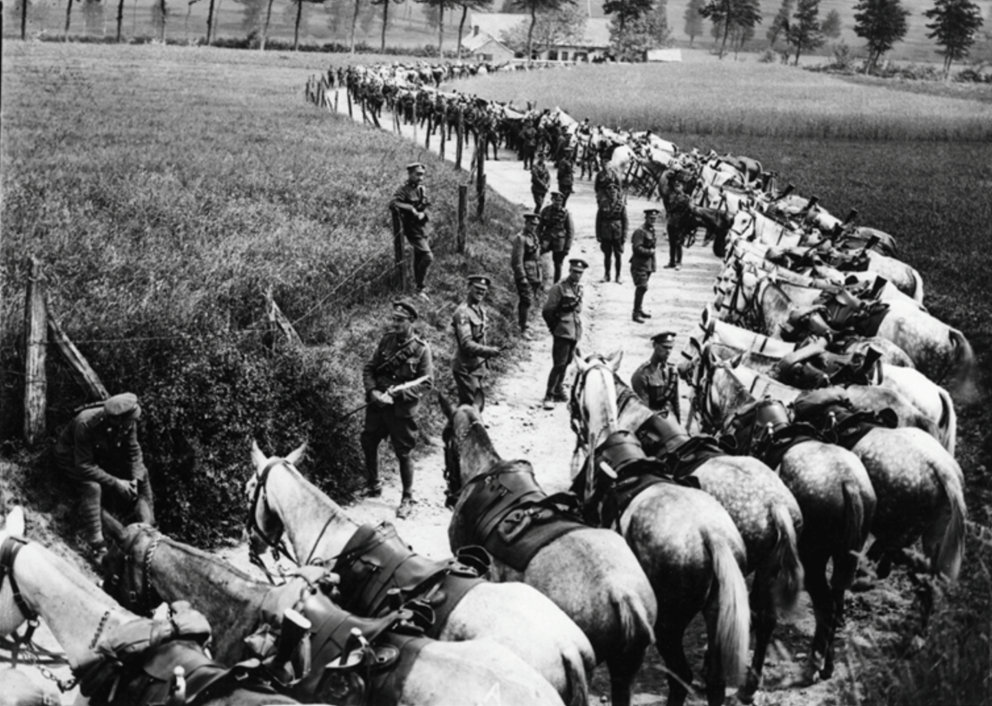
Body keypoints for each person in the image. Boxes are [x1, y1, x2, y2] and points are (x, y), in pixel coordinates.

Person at [54, 392, 156, 567]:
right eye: (130, 420)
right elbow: (84, 466)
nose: (133, 423)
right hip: (71, 460)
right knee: (92, 488)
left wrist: (134, 479)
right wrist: (116, 482)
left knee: (143, 473)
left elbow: (134, 451)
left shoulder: (127, 422)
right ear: (116, 420)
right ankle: (98, 547)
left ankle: (149, 528)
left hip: (100, 457)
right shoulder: (85, 423)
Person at [361, 299, 434, 519]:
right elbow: (369, 368)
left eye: (400, 320)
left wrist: (399, 393)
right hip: (378, 406)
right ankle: (374, 484)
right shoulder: (386, 341)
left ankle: (407, 498)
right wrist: (373, 392)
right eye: (393, 319)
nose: (395, 323)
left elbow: (426, 383)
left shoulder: (421, 350)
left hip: (401, 411)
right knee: (368, 440)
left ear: (411, 322)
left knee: (404, 453)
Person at [541, 258, 587, 410]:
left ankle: (559, 389)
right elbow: (547, 310)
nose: (577, 275)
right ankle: (549, 394)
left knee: (567, 362)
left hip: (574, 331)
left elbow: (577, 311)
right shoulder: (559, 288)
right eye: (575, 271)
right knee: (559, 364)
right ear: (570, 270)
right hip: (562, 331)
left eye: (580, 273)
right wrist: (554, 327)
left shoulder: (579, 289)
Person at [451, 274, 501, 409]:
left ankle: (454, 428)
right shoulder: (462, 313)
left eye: (484, 290)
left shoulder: (479, 310)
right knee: (473, 406)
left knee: (466, 405)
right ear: (468, 287)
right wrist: (488, 351)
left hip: (476, 367)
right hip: (465, 367)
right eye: (477, 288)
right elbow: (466, 344)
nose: (481, 292)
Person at [390, 163, 434, 297]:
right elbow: (393, 203)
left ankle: (419, 287)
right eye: (418, 174)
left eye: (422, 175)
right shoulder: (403, 189)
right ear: (410, 174)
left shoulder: (421, 189)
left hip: (423, 228)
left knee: (419, 258)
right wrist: (411, 209)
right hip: (412, 229)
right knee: (428, 257)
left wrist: (423, 213)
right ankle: (420, 285)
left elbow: (426, 206)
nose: (421, 178)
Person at [631, 331, 681, 421]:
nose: (668, 351)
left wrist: (679, 423)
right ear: (654, 345)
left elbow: (676, 403)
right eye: (665, 347)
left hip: (670, 419)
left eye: (671, 348)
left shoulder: (671, 371)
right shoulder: (642, 375)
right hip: (654, 422)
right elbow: (644, 412)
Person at [511, 213, 544, 336]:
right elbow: (516, 260)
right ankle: (522, 328)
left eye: (535, 225)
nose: (533, 227)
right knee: (526, 301)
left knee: (530, 301)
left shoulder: (534, 237)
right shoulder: (520, 238)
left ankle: (524, 323)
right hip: (525, 275)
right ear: (526, 223)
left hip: (534, 274)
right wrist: (522, 277)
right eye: (531, 224)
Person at [660, 166, 696, 271]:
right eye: (676, 186)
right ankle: (671, 261)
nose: (677, 187)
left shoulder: (687, 199)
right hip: (671, 222)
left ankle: (679, 262)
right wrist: (669, 177)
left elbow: (690, 212)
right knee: (671, 243)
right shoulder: (671, 196)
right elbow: (665, 190)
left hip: (681, 224)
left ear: (683, 187)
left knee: (678, 244)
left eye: (679, 186)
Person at [629, 208, 659, 324]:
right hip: (639, 264)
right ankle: (636, 313)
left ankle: (639, 310)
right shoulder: (640, 231)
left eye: (655, 218)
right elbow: (636, 248)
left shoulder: (651, 230)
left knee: (643, 288)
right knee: (642, 287)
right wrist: (649, 252)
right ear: (646, 218)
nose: (653, 220)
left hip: (647, 265)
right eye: (651, 218)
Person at [537, 191, 574, 284]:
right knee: (536, 257)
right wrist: (536, 239)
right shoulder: (545, 210)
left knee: (558, 264)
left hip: (559, 242)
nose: (558, 203)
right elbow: (539, 227)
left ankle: (556, 285)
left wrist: (567, 247)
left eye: (560, 201)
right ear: (552, 200)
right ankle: (538, 281)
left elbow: (570, 231)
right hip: (546, 239)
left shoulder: (565, 213)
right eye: (556, 200)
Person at [596, 181, 628, 283]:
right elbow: (598, 220)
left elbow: (625, 221)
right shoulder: (603, 203)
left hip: (617, 233)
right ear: (607, 193)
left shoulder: (621, 205)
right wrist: (598, 234)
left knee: (618, 255)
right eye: (610, 192)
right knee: (607, 255)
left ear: (617, 193)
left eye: (614, 192)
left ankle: (618, 275)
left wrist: (624, 235)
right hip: (606, 233)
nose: (612, 193)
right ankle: (607, 275)